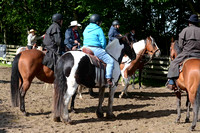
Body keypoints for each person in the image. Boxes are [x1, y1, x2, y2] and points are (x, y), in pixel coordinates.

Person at [167, 14, 200, 90]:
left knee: (173, 63)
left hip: (187, 53)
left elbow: (181, 45)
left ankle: (171, 82)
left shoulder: (185, 31)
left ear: (189, 22)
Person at [83, 14, 114, 87]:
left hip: (84, 48)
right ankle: (108, 79)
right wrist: (103, 49)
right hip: (95, 49)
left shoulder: (86, 28)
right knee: (110, 61)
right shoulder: (98, 29)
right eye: (99, 22)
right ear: (97, 22)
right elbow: (103, 41)